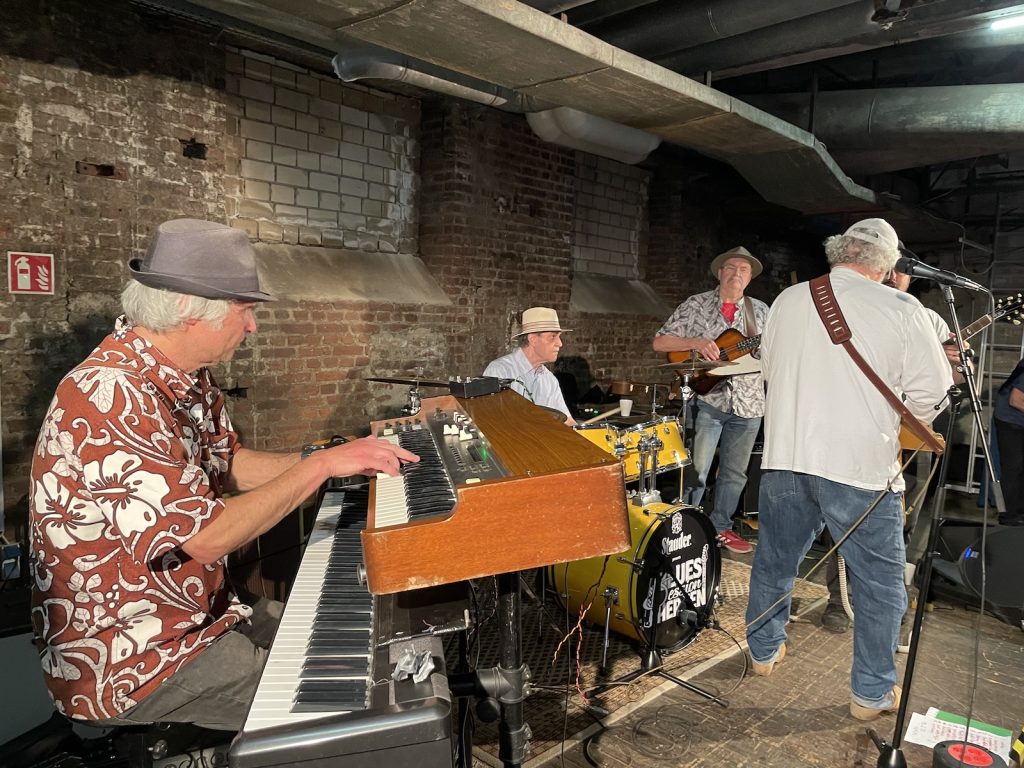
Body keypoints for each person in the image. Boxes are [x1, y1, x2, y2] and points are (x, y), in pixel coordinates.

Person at [28, 219, 417, 731]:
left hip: (203, 615)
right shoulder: (110, 395)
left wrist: (337, 454)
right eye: (245, 310)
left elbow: (228, 464)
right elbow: (204, 538)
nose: (252, 327)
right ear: (192, 312)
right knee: (358, 710)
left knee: (359, 636)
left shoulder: (185, 376)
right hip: (133, 656)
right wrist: (320, 467)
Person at [745, 218, 953, 721]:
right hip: (860, 470)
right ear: (887, 265)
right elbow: (933, 395)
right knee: (878, 585)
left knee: (775, 561)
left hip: (786, 459)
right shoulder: (904, 308)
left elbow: (769, 370)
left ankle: (763, 651)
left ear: (841, 251)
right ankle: (870, 694)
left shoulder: (789, 300)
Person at [652, 246, 768, 555]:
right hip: (707, 399)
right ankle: (686, 525)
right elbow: (660, 342)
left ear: (750, 278)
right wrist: (696, 342)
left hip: (749, 403)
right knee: (697, 469)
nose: (736, 273)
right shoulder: (696, 304)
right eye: (731, 267)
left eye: (743, 270)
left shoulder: (760, 311)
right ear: (719, 273)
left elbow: (776, 353)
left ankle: (720, 527)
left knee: (735, 473)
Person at [484, 307, 576, 425]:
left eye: (559, 337)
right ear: (533, 339)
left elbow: (567, 422)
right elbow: (489, 421)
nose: (560, 343)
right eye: (553, 337)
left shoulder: (550, 380)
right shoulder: (499, 371)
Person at [993, 356, 1024, 526]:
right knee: (1013, 468)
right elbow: (1016, 400)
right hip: (1010, 420)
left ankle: (1019, 512)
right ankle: (1008, 516)